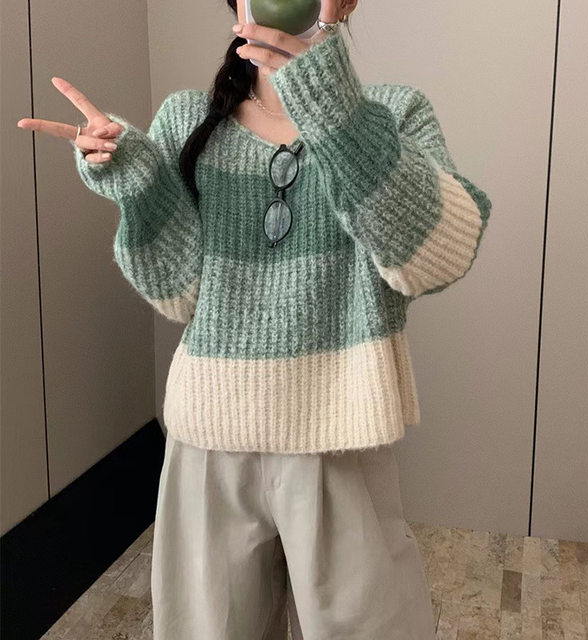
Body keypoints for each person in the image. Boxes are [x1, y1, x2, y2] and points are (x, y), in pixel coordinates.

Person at [17, 0, 492, 637]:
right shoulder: (189, 119)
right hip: (211, 436)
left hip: (340, 431)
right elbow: (178, 294)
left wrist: (337, 112)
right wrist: (139, 182)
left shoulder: (392, 113)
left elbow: (440, 258)